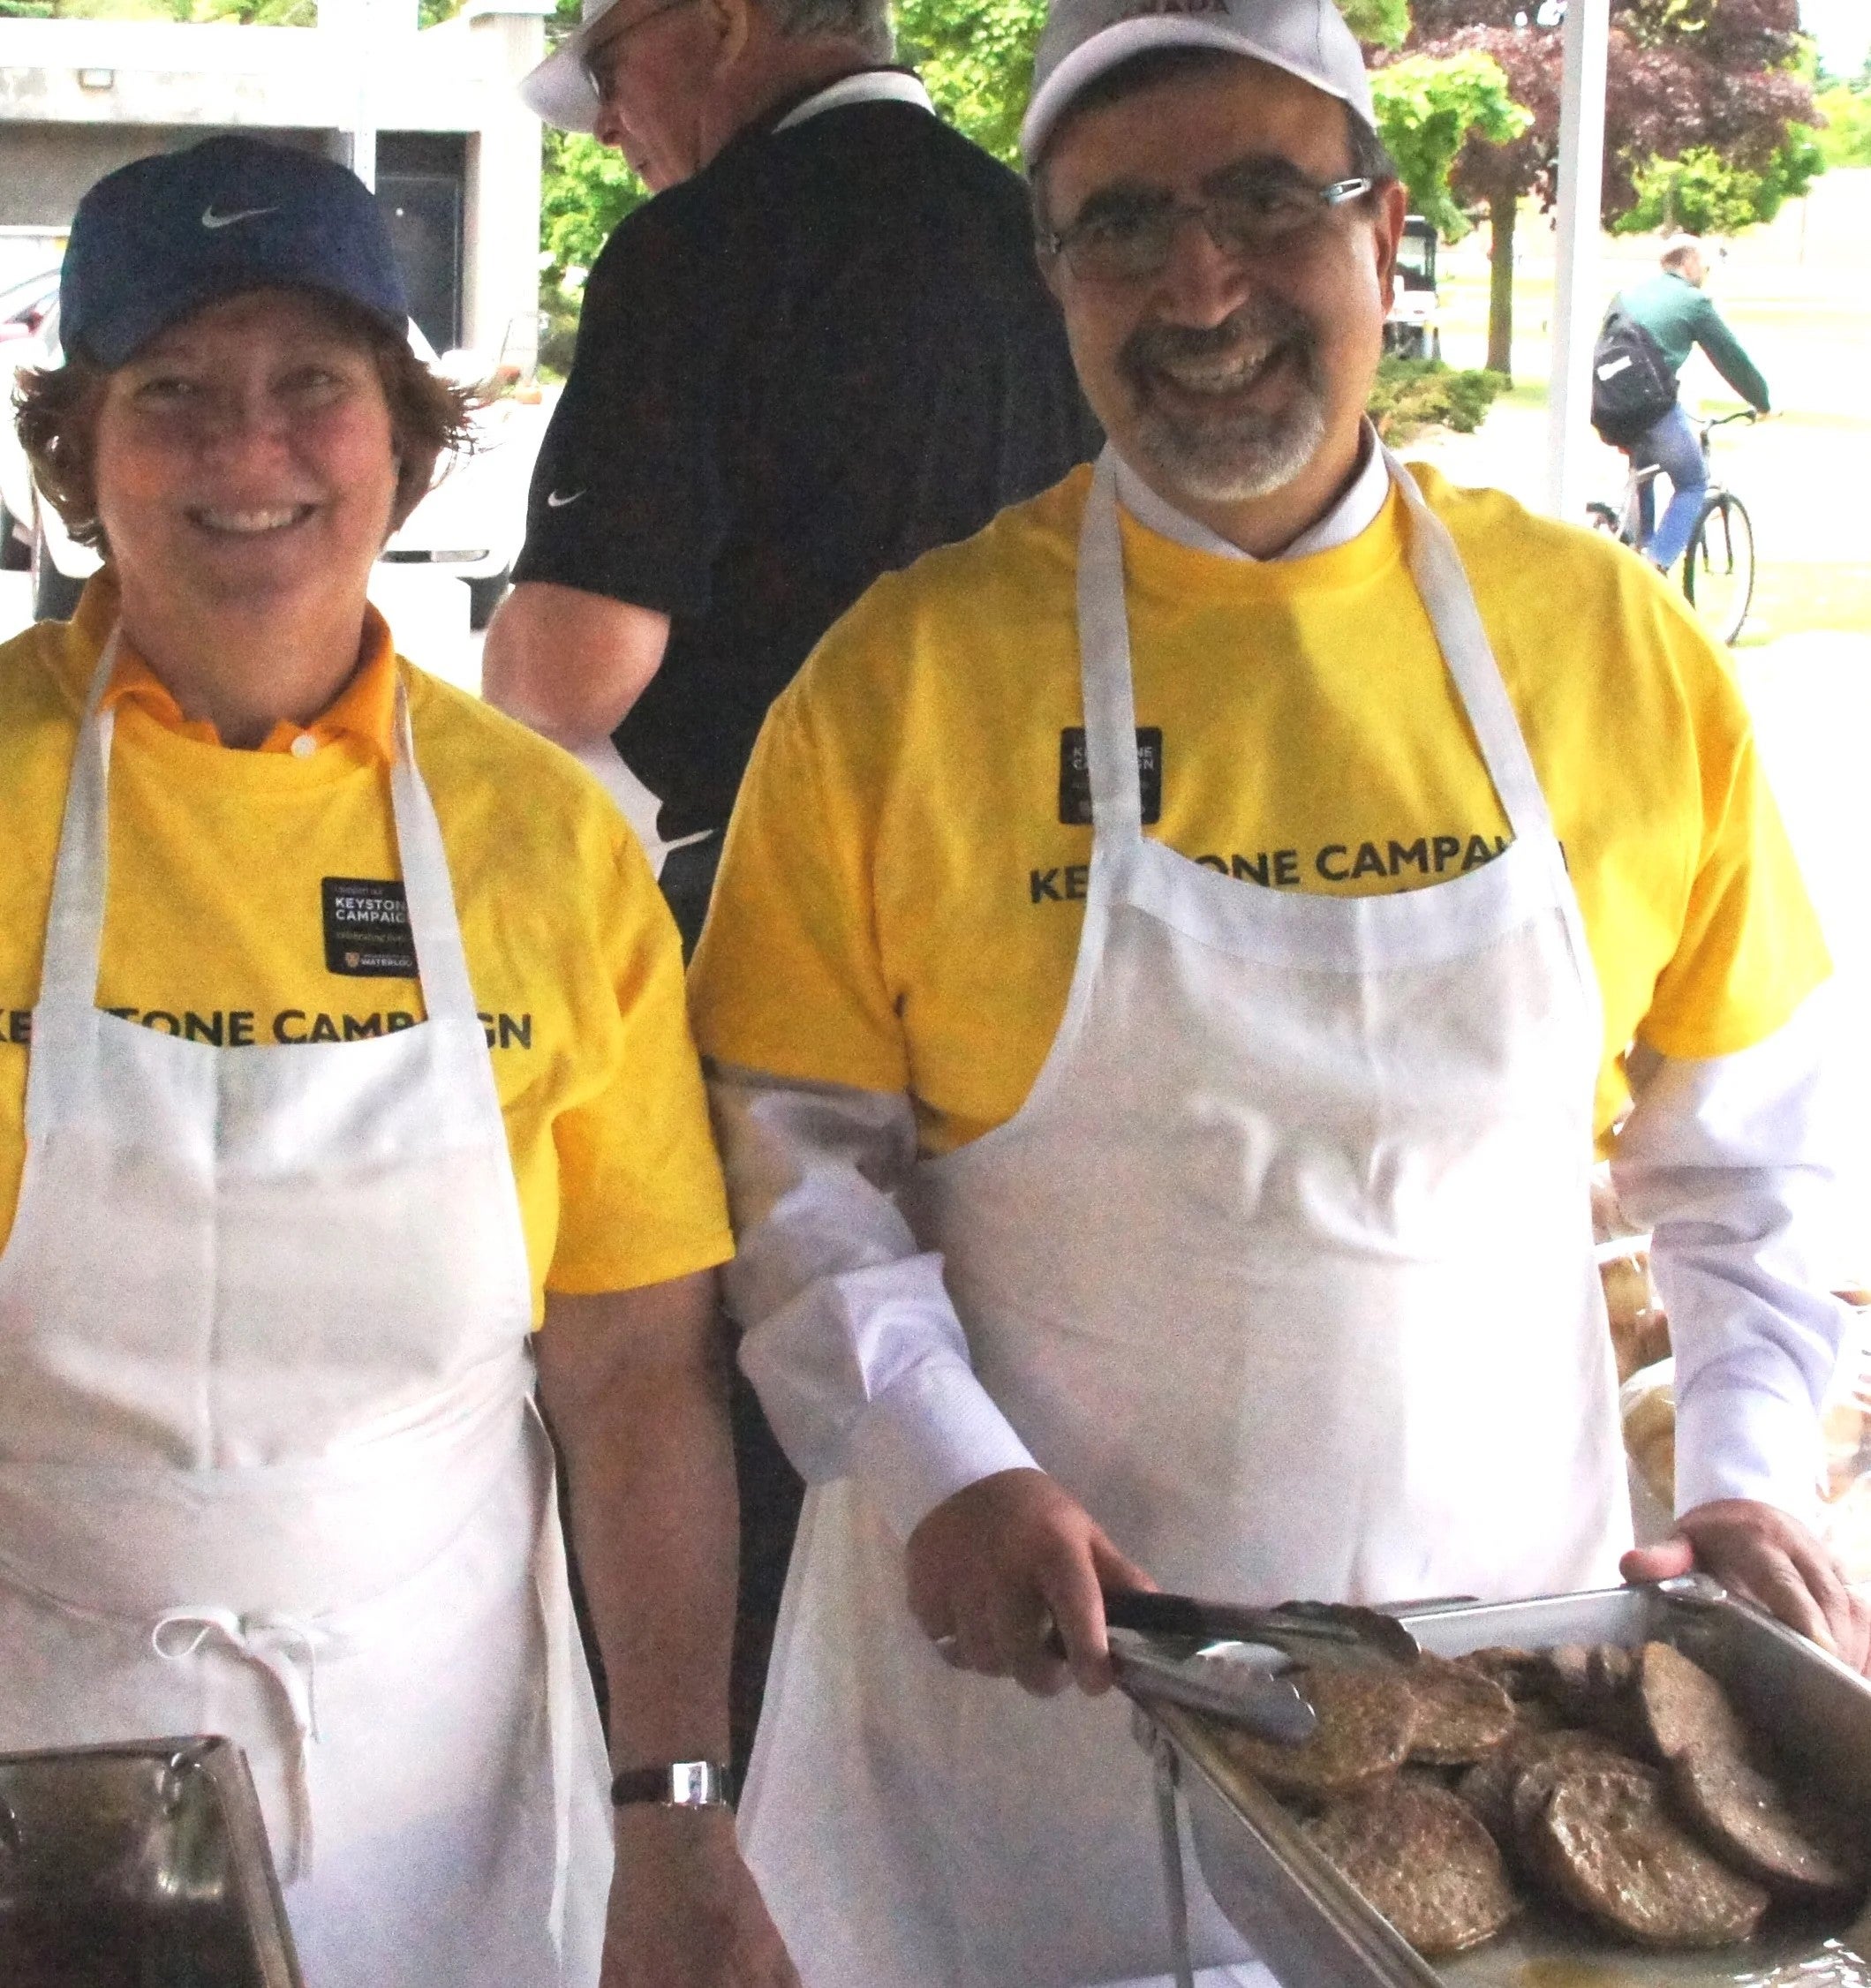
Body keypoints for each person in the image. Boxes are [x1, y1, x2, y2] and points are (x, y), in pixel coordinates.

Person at [686, 2, 1866, 1984]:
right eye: (1121, 226)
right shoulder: (903, 681)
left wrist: (1746, 1466)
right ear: (1051, 276)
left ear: (1383, 233)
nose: (1200, 282)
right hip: (1034, 1699)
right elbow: (788, 1158)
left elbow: (1745, 1153)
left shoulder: (1606, 648)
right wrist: (938, 1461)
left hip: (1505, 1706)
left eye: (1263, 203)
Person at [1, 136, 795, 1988]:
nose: (247, 452)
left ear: (405, 439)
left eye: (311, 391)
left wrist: (676, 1804)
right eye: (172, 395)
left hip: (435, 1761)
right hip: (34, 1736)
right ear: (80, 452)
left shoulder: (544, 838)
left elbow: (631, 1374)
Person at [482, 0, 1098, 949]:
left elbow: (571, 676)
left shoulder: (690, 250)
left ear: (724, 25)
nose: (605, 124)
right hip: (1053, 887)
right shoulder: (1057, 243)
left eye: (608, 73)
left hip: (781, 899)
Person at [1615, 236, 1769, 572]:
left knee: (1643, 468)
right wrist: (1763, 401)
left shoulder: (1627, 295)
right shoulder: (1691, 300)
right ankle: (1653, 568)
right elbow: (1732, 358)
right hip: (1650, 405)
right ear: (1688, 263)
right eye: (1705, 265)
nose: (1707, 272)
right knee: (1692, 481)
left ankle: (1635, 546)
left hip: (1608, 404)